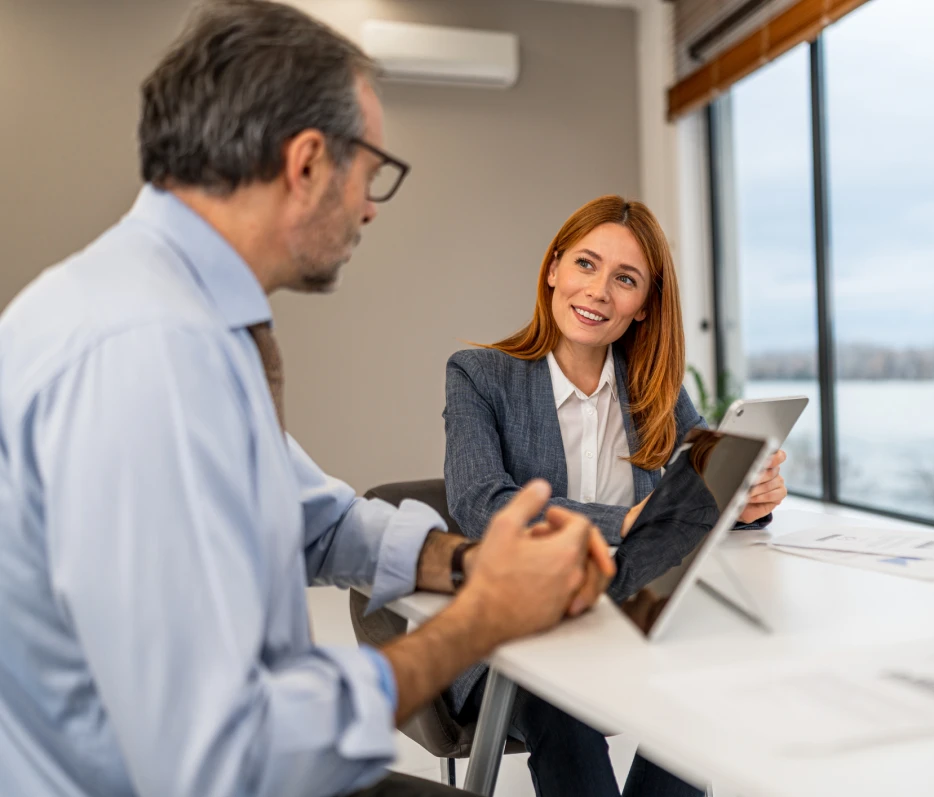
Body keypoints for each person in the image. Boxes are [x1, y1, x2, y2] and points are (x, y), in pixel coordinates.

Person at [0, 3, 615, 796]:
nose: (368, 206)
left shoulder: (182, 315)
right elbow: (224, 757)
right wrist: (481, 619)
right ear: (306, 163)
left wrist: (465, 561)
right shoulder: (148, 355)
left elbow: (316, 521)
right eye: (371, 174)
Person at [442, 196, 788, 797]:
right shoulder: (479, 375)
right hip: (518, 627)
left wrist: (748, 500)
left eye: (624, 279)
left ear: (645, 305)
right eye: (585, 264)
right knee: (560, 703)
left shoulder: (654, 389)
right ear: (553, 269)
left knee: (705, 686)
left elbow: (694, 499)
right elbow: (481, 503)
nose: (599, 291)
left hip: (628, 611)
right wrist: (625, 520)